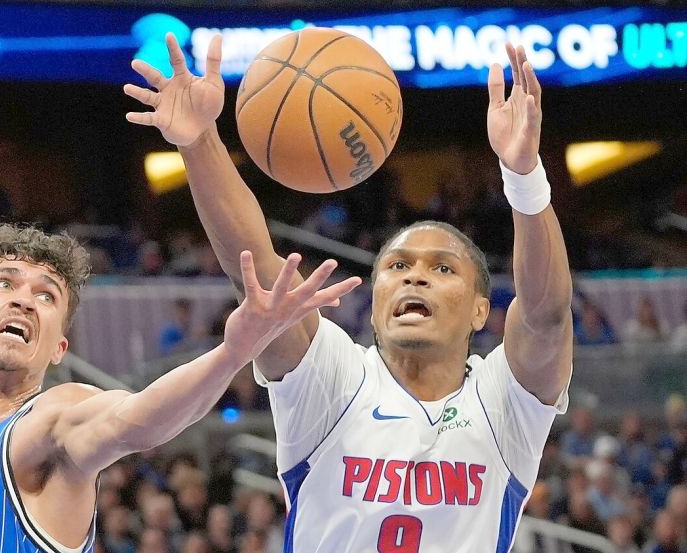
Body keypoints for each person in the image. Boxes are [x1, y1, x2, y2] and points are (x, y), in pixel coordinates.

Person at [126, 35, 572, 551]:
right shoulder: (336, 379)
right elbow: (256, 266)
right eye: (398, 266)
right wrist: (199, 141)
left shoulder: (502, 403)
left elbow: (545, 315)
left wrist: (523, 176)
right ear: (375, 305)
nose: (415, 276)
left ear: (480, 310)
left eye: (442, 267)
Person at [0, 224, 360, 553]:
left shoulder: (50, 422)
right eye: (6, 283)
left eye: (46, 295)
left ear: (59, 348)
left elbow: (136, 420)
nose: (25, 301)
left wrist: (232, 353)